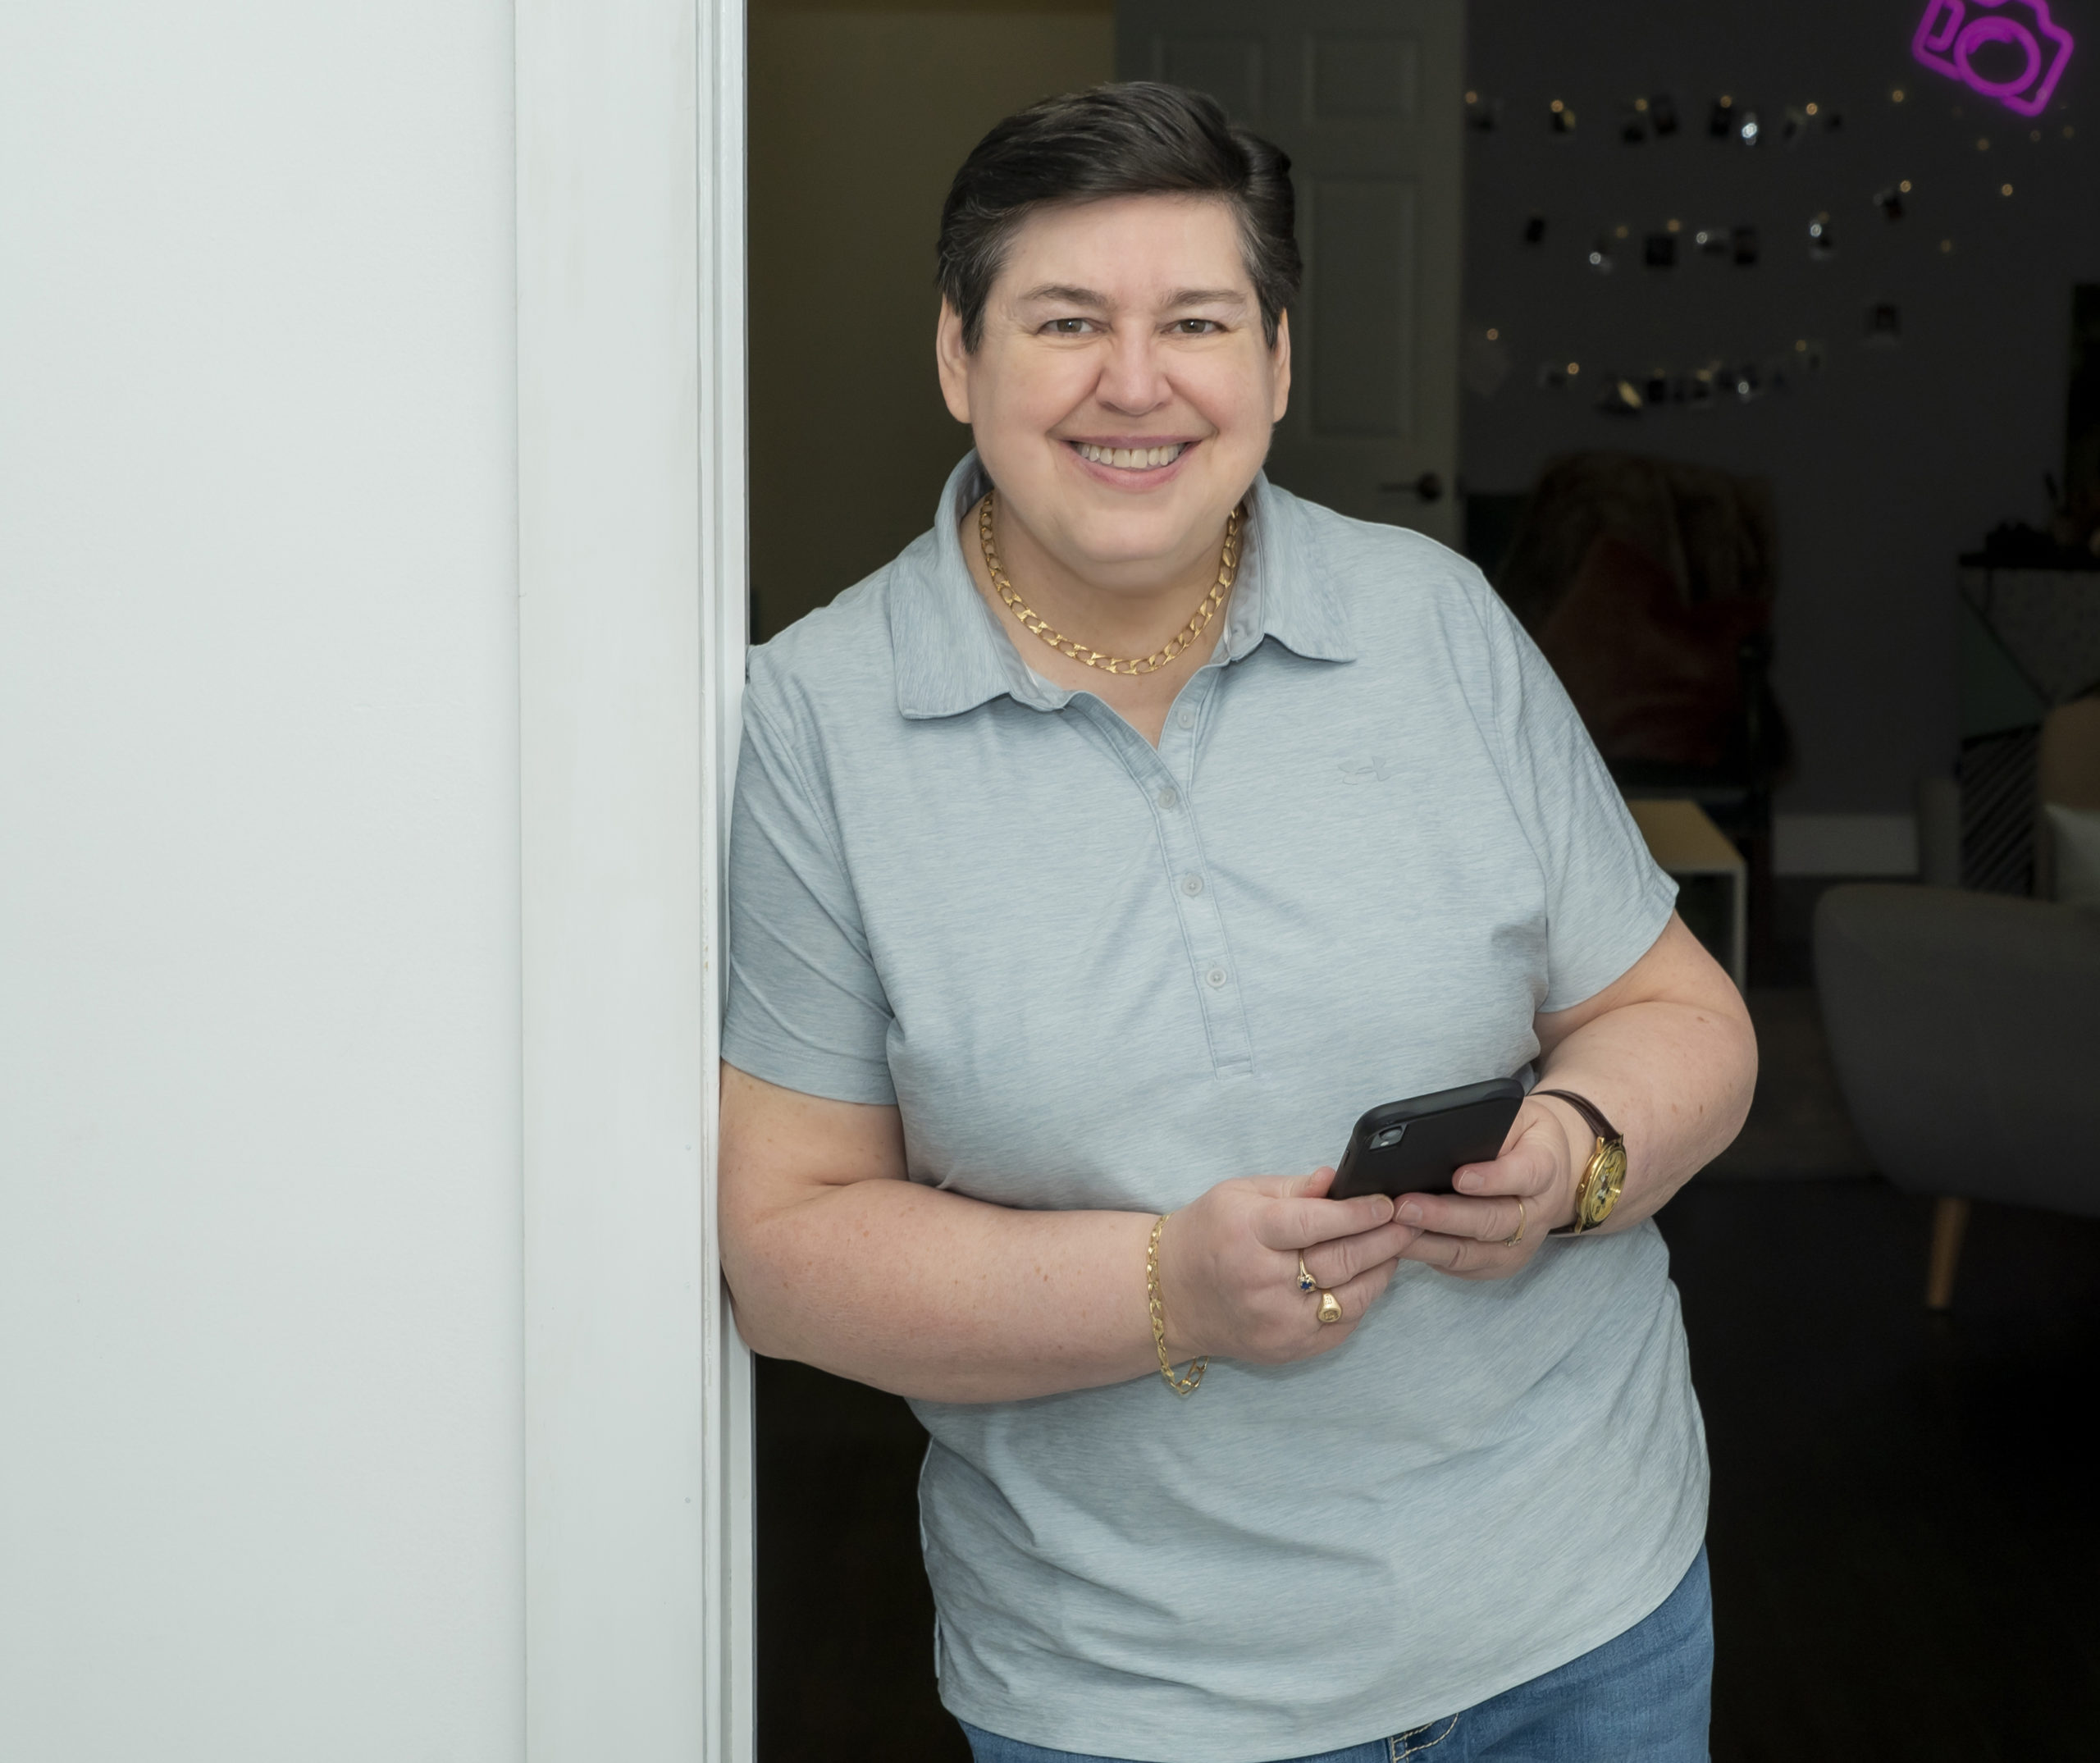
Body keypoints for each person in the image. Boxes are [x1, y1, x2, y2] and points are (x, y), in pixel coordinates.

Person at [719, 82, 1756, 1763]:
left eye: (1194, 320)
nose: (1135, 382)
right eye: (1064, 321)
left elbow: (1684, 1017)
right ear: (957, 359)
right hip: (1132, 1695)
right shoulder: (816, 721)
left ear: (1272, 365)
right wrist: (1162, 1289)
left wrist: (1573, 1150)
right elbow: (787, 1252)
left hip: (1585, 1620)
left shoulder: (1432, 623)